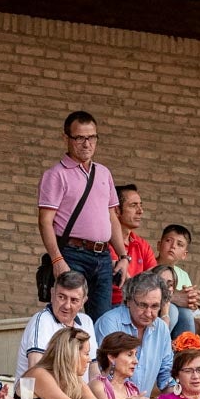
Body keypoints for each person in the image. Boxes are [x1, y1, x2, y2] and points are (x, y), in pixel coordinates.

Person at [37, 111, 128, 321]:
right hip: (72, 253)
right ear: (66, 138)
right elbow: (45, 222)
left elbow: (112, 217)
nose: (87, 144)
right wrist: (57, 259)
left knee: (102, 319)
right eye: (79, 138)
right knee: (66, 314)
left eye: (92, 137)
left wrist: (123, 256)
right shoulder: (55, 175)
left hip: (103, 257)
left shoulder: (104, 172)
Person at [94, 271, 176, 396]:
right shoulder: (110, 322)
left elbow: (166, 376)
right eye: (142, 305)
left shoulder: (162, 329)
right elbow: (106, 372)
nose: (148, 313)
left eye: (154, 306)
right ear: (128, 300)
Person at [15, 270, 98, 380]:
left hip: (78, 394)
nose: (67, 306)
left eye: (74, 300)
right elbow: (36, 373)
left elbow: (94, 370)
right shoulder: (42, 321)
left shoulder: (86, 322)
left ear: (83, 301)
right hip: (43, 395)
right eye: (61, 297)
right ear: (52, 294)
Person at [106, 184, 157, 307]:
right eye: (133, 205)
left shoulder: (142, 244)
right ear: (117, 210)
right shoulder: (104, 241)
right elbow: (124, 280)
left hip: (140, 303)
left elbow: (154, 279)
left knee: (179, 311)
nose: (140, 211)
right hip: (114, 303)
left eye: (140, 205)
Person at [157, 224, 200, 337]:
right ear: (159, 245)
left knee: (189, 315)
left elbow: (190, 305)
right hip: (154, 314)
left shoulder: (183, 275)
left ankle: (184, 351)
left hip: (179, 321)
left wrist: (196, 314)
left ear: (184, 255)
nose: (173, 246)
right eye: (169, 241)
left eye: (179, 244)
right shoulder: (149, 266)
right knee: (173, 310)